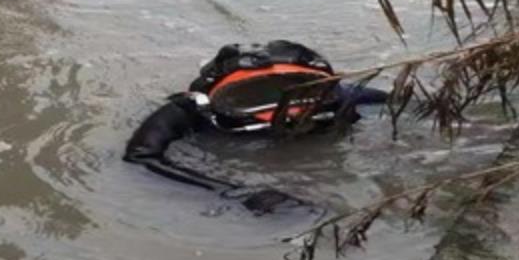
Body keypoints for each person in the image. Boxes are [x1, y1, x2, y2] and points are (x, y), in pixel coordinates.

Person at [124, 40, 388, 215]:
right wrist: (235, 192)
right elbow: (139, 156)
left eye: (301, 94)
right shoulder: (190, 110)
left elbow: (401, 103)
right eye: (250, 98)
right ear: (213, 101)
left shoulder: (343, 97)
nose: (284, 112)